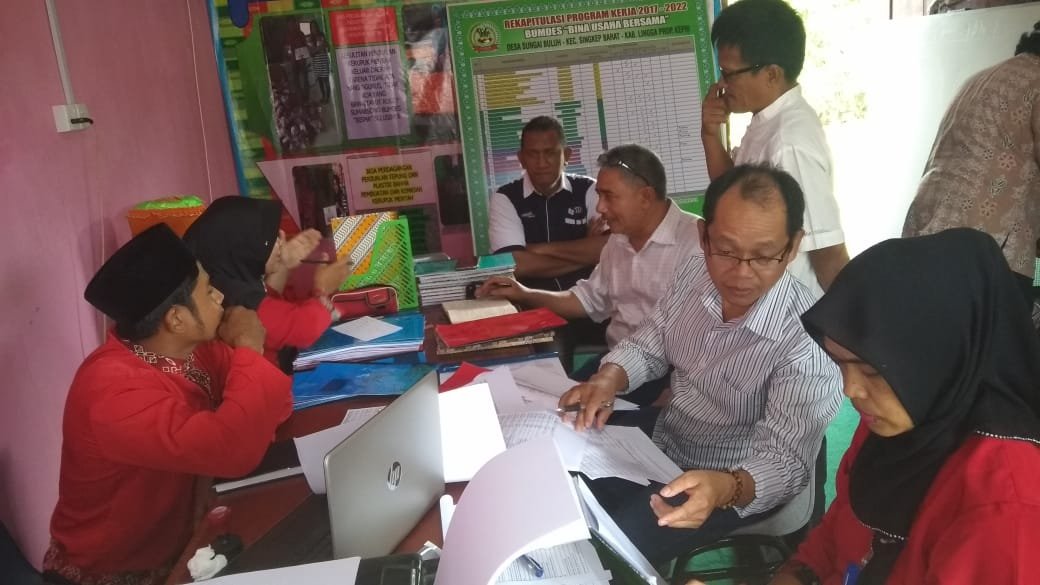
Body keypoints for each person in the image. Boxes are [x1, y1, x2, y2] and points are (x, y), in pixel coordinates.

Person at [559, 163, 842, 564]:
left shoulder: (807, 342)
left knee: (602, 552)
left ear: (793, 246)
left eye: (764, 256)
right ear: (703, 236)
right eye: (725, 250)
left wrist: (725, 487)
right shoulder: (696, 272)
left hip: (728, 478)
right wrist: (609, 378)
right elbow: (653, 340)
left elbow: (785, 462)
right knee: (558, 466)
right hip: (669, 434)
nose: (741, 274)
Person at [764, 228, 1040, 585]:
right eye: (839, 363)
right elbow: (837, 529)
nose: (850, 390)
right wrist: (798, 576)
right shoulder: (896, 417)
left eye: (872, 371)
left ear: (943, 357)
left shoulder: (1003, 509)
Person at [42, 224, 293, 585]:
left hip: (185, 546)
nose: (220, 296)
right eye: (208, 291)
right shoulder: (110, 391)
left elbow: (276, 407)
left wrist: (246, 371)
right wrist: (249, 349)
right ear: (176, 319)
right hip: (112, 574)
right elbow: (234, 450)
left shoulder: (195, 350)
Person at [479, 144, 701, 407]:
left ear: (645, 196)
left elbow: (707, 339)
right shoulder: (618, 240)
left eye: (609, 196)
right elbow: (585, 300)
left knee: (576, 417)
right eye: (599, 196)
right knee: (550, 404)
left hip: (669, 377)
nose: (600, 207)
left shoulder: (696, 243)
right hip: (616, 362)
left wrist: (680, 393)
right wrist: (523, 293)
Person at [701, 0, 848, 297]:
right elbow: (731, 194)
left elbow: (828, 253)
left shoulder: (789, 143)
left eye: (729, 73)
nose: (722, 83)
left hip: (790, 311)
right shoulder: (766, 120)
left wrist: (853, 323)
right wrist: (710, 135)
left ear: (771, 74)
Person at [903, 21, 1040, 308]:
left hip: (924, 236)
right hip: (988, 254)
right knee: (997, 336)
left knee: (929, 328)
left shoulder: (980, 78)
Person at [183, 196, 352, 371]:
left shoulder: (228, 279)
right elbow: (302, 327)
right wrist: (323, 288)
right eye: (270, 238)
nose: (280, 241)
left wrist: (283, 262)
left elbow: (270, 301)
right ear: (245, 247)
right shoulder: (234, 298)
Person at [488, 115, 608, 292]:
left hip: (589, 300)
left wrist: (538, 249)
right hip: (529, 301)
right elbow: (515, 265)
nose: (541, 163)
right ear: (521, 159)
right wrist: (587, 251)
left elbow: (611, 247)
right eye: (532, 154)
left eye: (550, 153)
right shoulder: (505, 197)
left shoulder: (590, 189)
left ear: (566, 155)